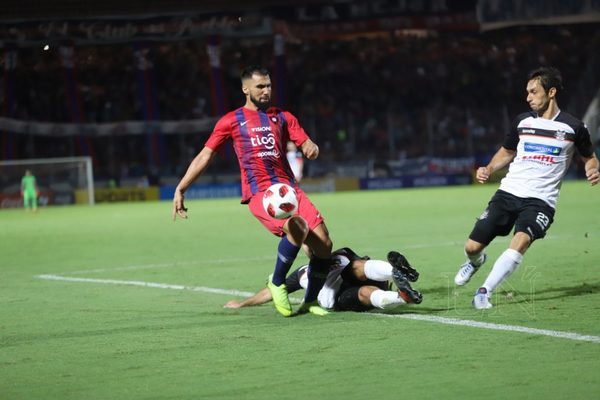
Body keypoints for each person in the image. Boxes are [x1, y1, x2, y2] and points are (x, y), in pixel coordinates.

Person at [172, 65, 333, 317]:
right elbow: (205, 155)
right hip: (261, 194)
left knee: (324, 246)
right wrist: (181, 188)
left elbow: (304, 141)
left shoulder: (283, 117)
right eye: (260, 86)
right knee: (297, 227)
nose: (266, 90)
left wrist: (311, 147)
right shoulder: (231, 121)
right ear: (245, 89)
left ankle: (310, 301)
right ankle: (278, 282)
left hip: (289, 190)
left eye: (269, 85)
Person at [454, 67, 600, 309]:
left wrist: (592, 169)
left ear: (551, 92)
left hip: (541, 201)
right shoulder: (522, 121)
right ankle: (475, 261)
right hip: (509, 192)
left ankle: (483, 292)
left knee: (521, 241)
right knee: (472, 246)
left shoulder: (574, 127)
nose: (528, 97)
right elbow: (508, 151)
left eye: (533, 92)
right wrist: (489, 168)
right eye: (527, 92)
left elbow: (590, 157)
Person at [224, 248, 422, 312]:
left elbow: (364, 264)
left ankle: (397, 273)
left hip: (356, 276)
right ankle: (402, 296)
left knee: (356, 267)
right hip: (336, 298)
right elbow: (272, 290)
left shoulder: (341, 254)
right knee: (364, 293)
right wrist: (242, 304)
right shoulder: (302, 273)